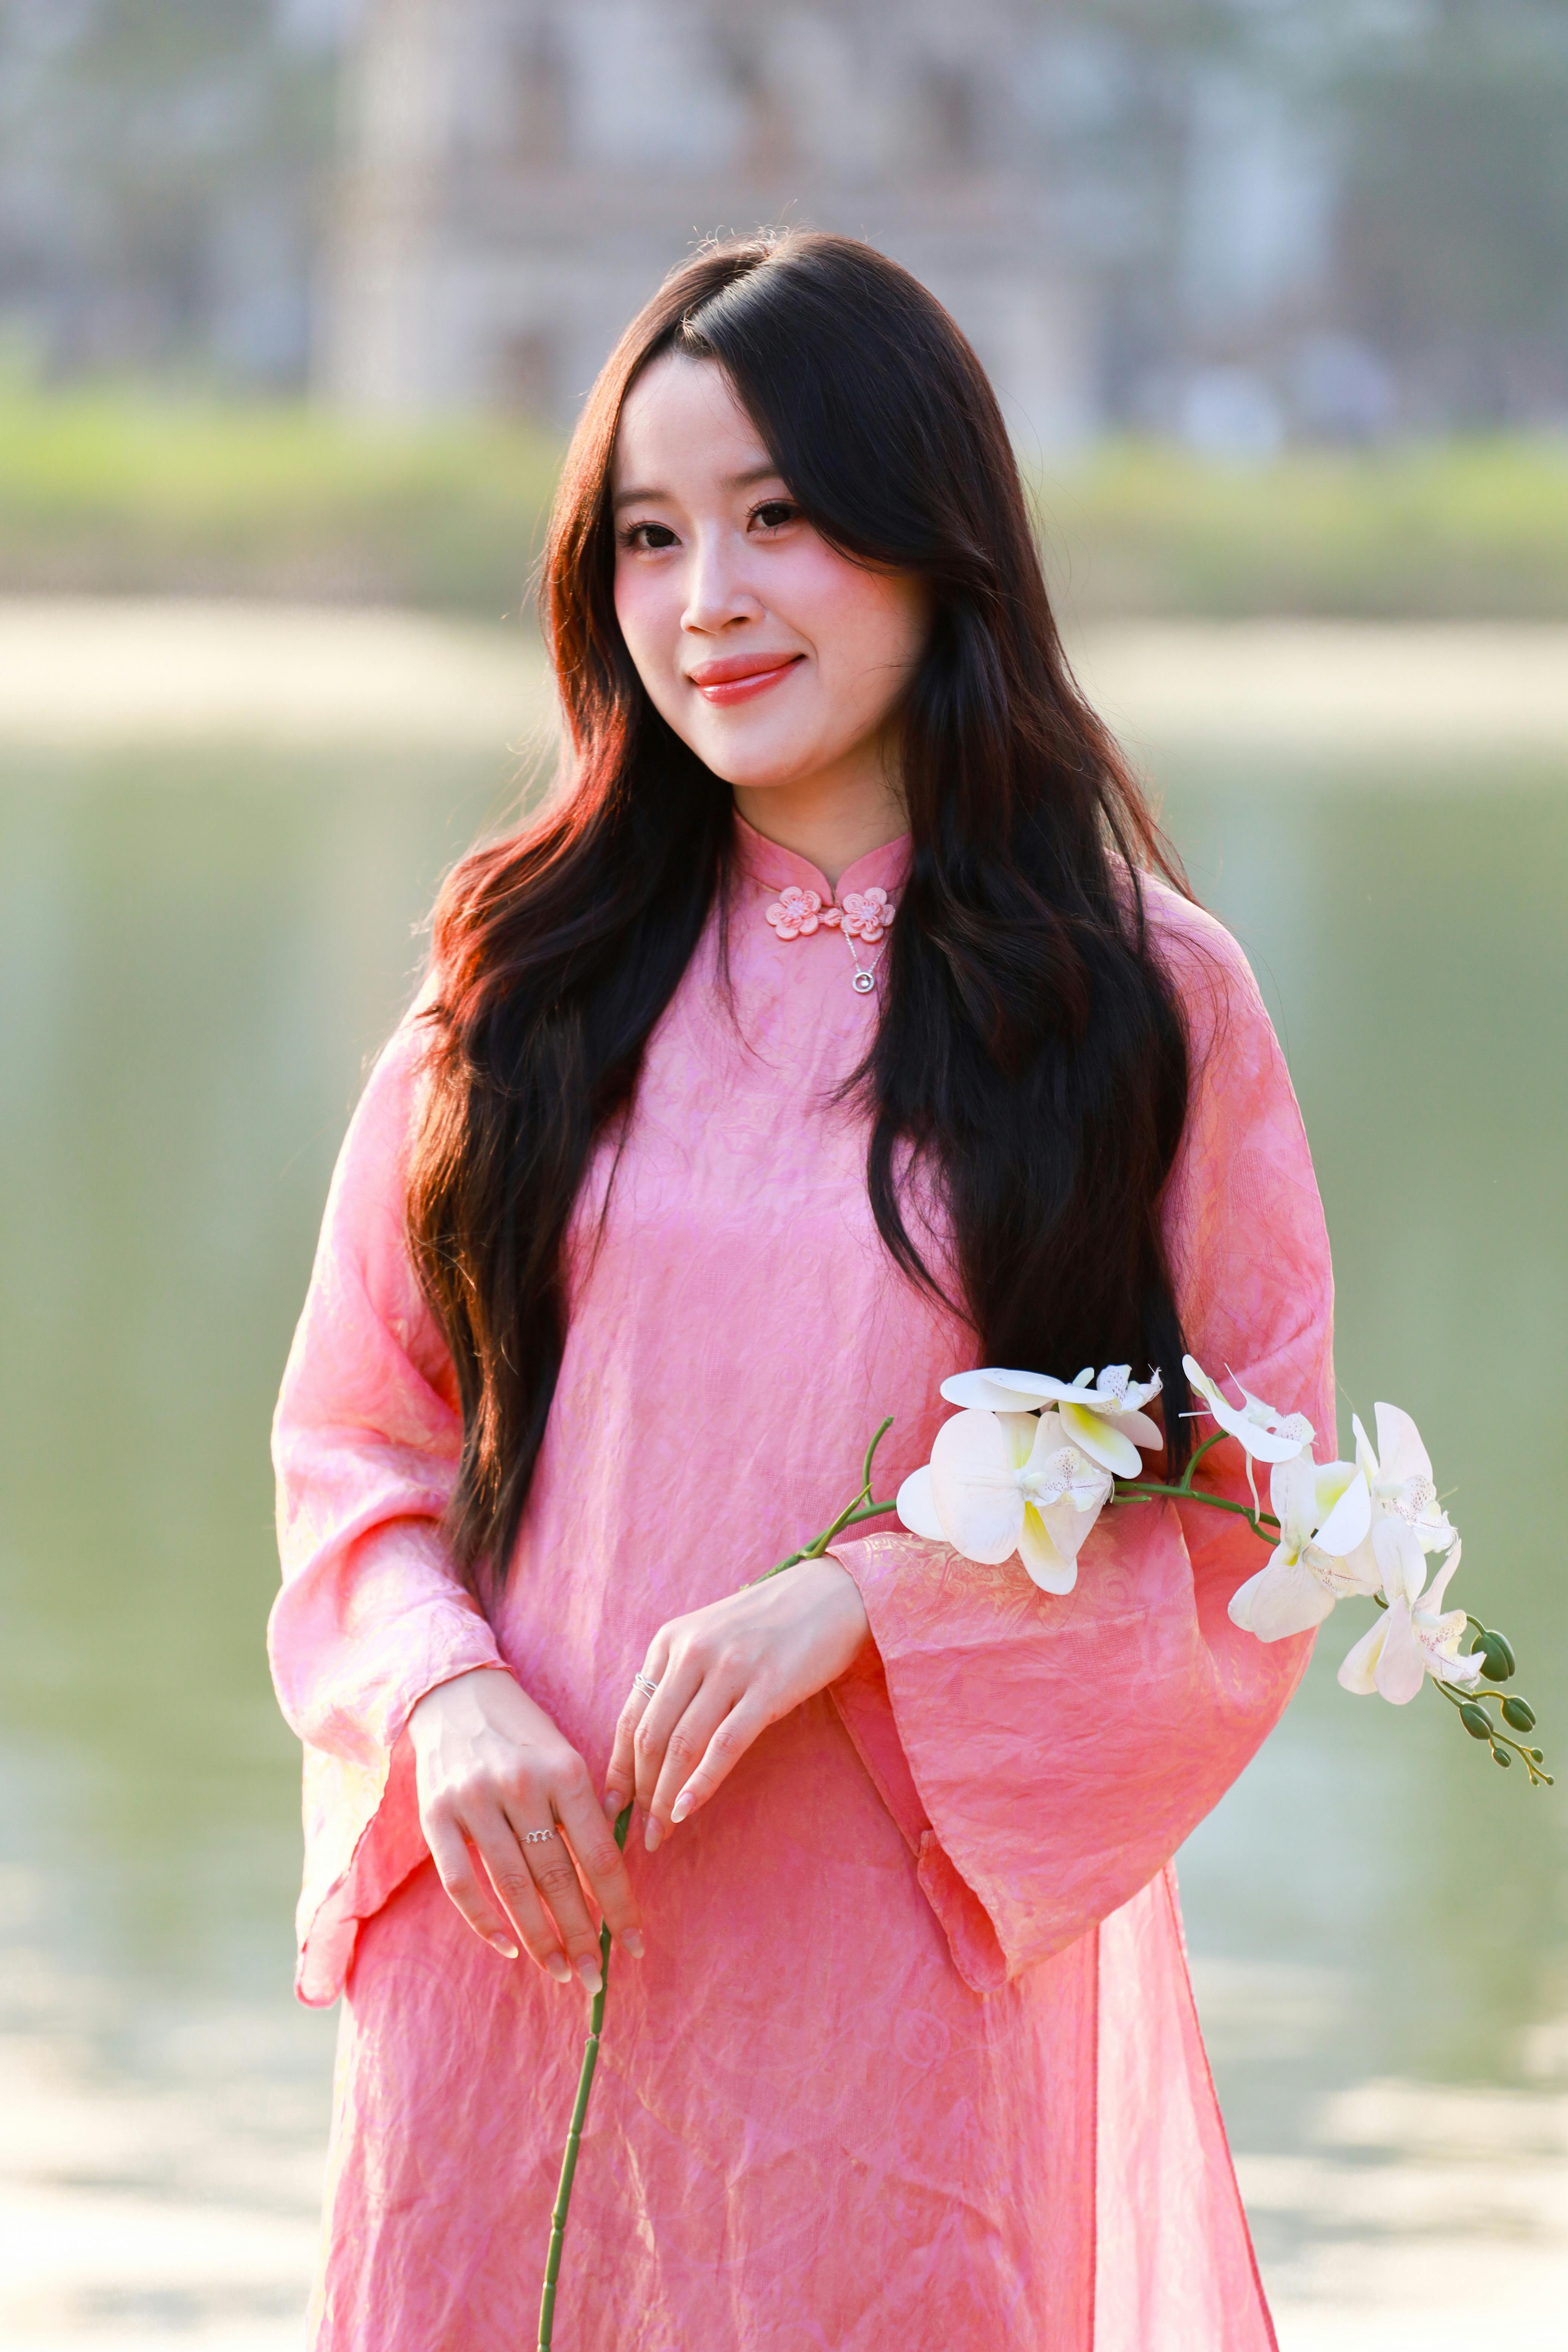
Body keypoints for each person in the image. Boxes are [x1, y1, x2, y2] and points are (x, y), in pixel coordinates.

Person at [269, 231, 1332, 2350]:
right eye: (651, 538)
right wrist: (447, 1695)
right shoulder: (524, 983)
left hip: (891, 1981)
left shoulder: (1133, 1003)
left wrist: (873, 1599)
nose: (710, 601)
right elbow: (357, 1448)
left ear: (936, 535)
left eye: (779, 517)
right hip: (516, 1933)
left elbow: (1245, 1501)